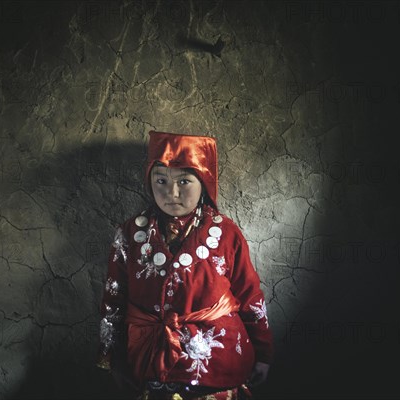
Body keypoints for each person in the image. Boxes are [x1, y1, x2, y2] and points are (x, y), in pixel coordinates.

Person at [97, 131, 273, 399]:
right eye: (161, 181)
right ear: (149, 181)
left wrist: (263, 354)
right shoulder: (130, 235)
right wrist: (110, 355)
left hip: (216, 362)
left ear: (203, 181)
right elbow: (114, 299)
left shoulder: (225, 233)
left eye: (184, 181)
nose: (172, 193)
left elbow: (250, 296)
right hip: (150, 359)